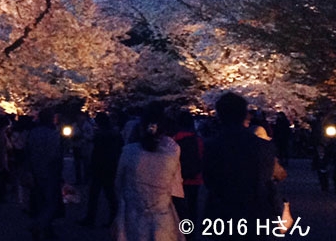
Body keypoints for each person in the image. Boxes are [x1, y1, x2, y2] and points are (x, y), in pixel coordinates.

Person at [203, 92, 281, 239]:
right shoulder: (264, 146)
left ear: (219, 115)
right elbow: (267, 178)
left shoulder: (213, 146)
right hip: (257, 211)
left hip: (223, 213)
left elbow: (209, 180)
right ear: (245, 114)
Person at [114, 102, 184, 241]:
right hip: (162, 218)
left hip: (132, 217)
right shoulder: (172, 152)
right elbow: (176, 189)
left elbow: (118, 184)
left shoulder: (129, 152)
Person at [79, 111, 123, 228]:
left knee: (95, 194)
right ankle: (114, 217)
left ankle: (90, 217)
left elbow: (96, 152)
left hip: (99, 166)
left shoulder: (100, 135)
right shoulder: (115, 134)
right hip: (110, 166)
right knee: (110, 194)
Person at [25, 109, 63, 241]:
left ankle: (45, 229)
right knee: (50, 202)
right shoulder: (53, 134)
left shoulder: (33, 133)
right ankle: (40, 225)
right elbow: (56, 155)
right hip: (49, 172)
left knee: (39, 201)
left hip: (35, 170)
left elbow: (28, 152)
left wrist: (28, 170)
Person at [172, 111, 203, 229]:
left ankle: (181, 229)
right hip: (195, 178)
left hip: (178, 178)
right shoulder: (197, 139)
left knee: (179, 207)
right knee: (192, 205)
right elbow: (201, 156)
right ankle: (191, 230)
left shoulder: (173, 140)